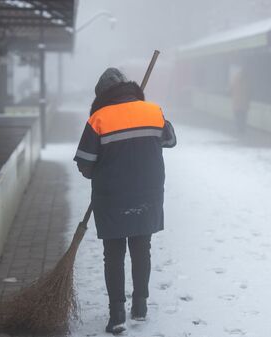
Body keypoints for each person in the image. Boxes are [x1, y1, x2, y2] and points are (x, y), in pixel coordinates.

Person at [74, 68, 176, 334]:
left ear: (101, 96)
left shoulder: (98, 119)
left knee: (114, 254)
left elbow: (85, 165)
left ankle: (117, 314)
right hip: (148, 193)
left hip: (111, 196)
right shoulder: (153, 111)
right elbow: (170, 140)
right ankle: (140, 306)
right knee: (142, 248)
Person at [230, 67, 250, 134]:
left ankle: (239, 130)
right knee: (243, 118)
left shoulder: (235, 79)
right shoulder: (247, 80)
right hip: (244, 104)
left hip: (236, 103)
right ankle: (242, 130)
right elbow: (249, 92)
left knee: (238, 118)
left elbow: (231, 89)